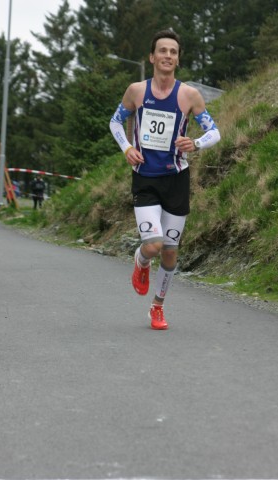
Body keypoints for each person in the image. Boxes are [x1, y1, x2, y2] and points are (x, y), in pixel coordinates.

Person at [109, 30, 221, 330]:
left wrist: (194, 143)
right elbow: (115, 121)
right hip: (145, 178)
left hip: (176, 180)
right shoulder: (136, 91)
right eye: (162, 50)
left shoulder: (189, 95)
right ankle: (141, 261)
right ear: (152, 57)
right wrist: (128, 148)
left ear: (178, 59)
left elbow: (215, 132)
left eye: (173, 51)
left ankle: (157, 307)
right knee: (154, 245)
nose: (168, 56)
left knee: (170, 251)